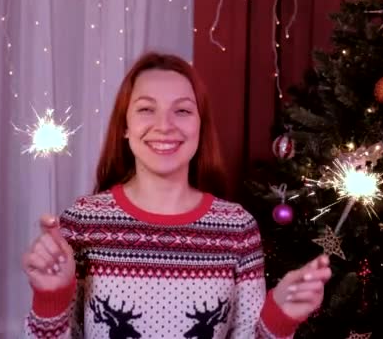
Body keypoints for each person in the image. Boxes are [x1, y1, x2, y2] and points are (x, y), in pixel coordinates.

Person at [22, 52, 332, 339]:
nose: (165, 126)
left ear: (200, 125)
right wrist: (51, 298)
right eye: (146, 109)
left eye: (182, 110)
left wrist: (280, 316)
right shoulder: (83, 222)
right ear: (125, 127)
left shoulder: (237, 227)